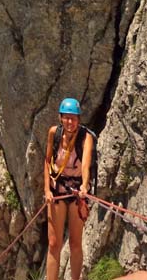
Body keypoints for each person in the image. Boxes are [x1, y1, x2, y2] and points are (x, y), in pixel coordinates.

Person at [44, 97, 94, 280]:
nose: (69, 122)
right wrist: (47, 190)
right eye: (66, 117)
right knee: (53, 243)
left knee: (75, 243)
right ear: (60, 117)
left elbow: (86, 164)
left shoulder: (85, 137)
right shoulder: (53, 134)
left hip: (76, 193)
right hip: (57, 191)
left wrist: (84, 186)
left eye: (73, 118)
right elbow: (47, 161)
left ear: (79, 119)